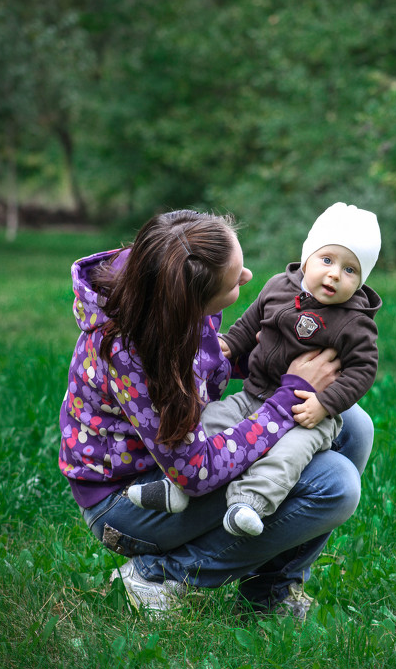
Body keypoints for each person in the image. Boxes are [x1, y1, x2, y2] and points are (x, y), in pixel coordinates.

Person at [59, 209, 373, 618]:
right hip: (131, 499)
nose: (247, 279)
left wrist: (272, 354)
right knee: (334, 484)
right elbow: (193, 469)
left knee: (354, 427)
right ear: (193, 301)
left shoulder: (167, 270)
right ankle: (160, 577)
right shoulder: (135, 354)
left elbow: (205, 363)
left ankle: (271, 588)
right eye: (234, 282)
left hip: (174, 458)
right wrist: (288, 395)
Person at [128, 203, 381, 540]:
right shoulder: (279, 286)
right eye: (327, 260)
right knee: (212, 420)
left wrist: (325, 404)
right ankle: (177, 484)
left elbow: (363, 371)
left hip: (308, 411)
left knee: (288, 455)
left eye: (351, 270)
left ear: (361, 281)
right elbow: (253, 320)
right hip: (254, 394)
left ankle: (248, 503)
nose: (335, 274)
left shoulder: (355, 322)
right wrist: (231, 343)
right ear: (307, 257)